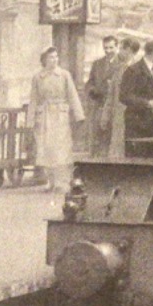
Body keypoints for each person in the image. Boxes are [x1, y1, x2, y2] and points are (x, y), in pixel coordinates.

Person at [29, 46, 85, 191]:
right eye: (51, 57)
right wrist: (30, 120)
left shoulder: (64, 75)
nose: (54, 60)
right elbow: (33, 99)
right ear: (44, 60)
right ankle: (50, 181)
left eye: (56, 57)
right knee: (45, 148)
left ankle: (61, 182)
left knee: (61, 148)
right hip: (45, 116)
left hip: (60, 116)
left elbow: (72, 95)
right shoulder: (38, 77)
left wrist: (79, 115)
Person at [119, 39, 153, 156]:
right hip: (137, 126)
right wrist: (148, 103)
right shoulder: (133, 70)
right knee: (137, 161)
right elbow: (124, 96)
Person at [103, 37, 141, 158]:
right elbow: (111, 95)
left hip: (135, 118)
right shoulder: (118, 69)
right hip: (118, 117)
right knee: (117, 150)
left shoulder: (140, 69)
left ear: (128, 50)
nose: (118, 52)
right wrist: (105, 115)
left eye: (120, 49)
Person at [84, 35, 118, 157]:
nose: (108, 51)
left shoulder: (122, 64)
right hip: (99, 105)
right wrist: (93, 90)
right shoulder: (97, 64)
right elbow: (89, 82)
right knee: (97, 136)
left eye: (111, 48)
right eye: (105, 48)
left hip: (114, 107)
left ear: (116, 47)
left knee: (111, 138)